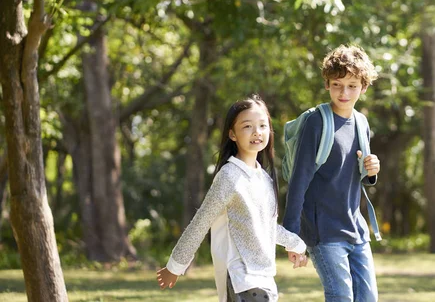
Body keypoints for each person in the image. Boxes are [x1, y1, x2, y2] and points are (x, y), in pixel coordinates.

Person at [157, 95, 307, 302]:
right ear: (232, 134)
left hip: (264, 276)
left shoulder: (263, 177)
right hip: (240, 276)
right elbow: (201, 222)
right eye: (247, 126)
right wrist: (175, 266)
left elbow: (267, 227)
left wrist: (296, 245)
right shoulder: (229, 176)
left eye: (263, 125)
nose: (257, 132)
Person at [283, 44, 381, 302]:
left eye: (352, 85)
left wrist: (372, 171)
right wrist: (291, 236)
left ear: (364, 87)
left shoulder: (361, 122)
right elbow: (299, 181)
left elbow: (356, 173)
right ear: (327, 84)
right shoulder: (317, 122)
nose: (344, 92)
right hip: (323, 232)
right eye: (337, 84)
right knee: (341, 298)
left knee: (368, 298)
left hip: (356, 229)